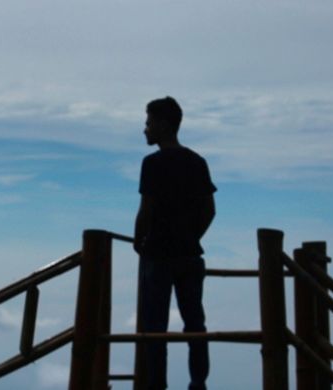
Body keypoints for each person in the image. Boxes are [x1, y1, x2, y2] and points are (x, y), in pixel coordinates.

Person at [134, 96, 216, 390]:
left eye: (149, 123)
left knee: (155, 329)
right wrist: (191, 237)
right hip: (190, 255)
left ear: (164, 125)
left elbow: (147, 209)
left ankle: (157, 386)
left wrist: (137, 239)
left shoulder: (152, 164)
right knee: (195, 323)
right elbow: (209, 210)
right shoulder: (197, 162)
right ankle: (198, 383)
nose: (145, 129)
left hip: (158, 254)